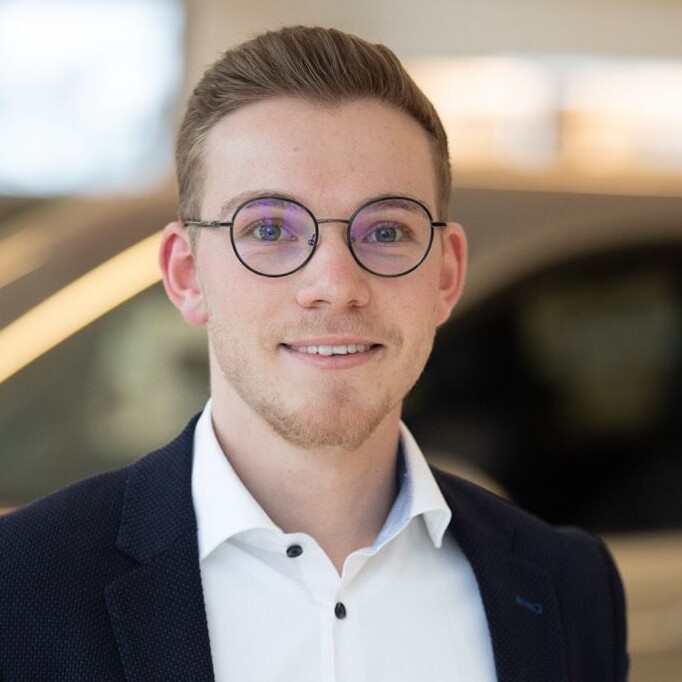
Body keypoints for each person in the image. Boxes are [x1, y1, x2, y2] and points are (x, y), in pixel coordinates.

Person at [0, 26, 627, 681]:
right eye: (269, 228)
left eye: (387, 231)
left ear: (446, 274)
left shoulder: (569, 588)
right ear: (186, 274)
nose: (335, 284)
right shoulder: (19, 588)